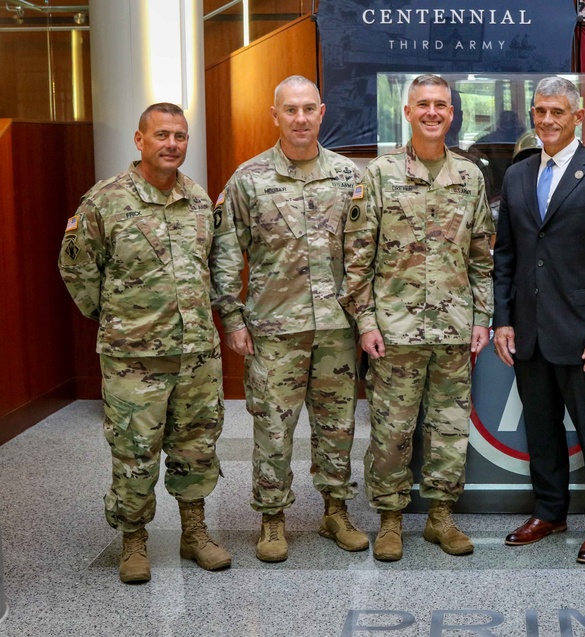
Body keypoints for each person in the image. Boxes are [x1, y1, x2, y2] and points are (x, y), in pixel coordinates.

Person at [58, 103, 232, 584]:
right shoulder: (105, 201)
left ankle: (194, 533)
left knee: (196, 446)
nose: (171, 144)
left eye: (179, 136)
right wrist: (115, 317)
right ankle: (133, 541)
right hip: (133, 358)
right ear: (140, 140)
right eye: (161, 135)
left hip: (196, 352)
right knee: (135, 451)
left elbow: (214, 265)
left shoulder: (198, 200)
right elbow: (76, 267)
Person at [211, 75, 367, 563]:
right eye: (290, 110)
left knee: (338, 426)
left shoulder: (348, 177)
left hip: (337, 330)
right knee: (274, 429)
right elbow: (224, 252)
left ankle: (335, 511)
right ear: (274, 115)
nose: (300, 118)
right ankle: (272, 518)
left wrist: (365, 318)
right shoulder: (249, 179)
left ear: (322, 112)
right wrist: (233, 319)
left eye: (308, 109)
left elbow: (364, 253)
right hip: (273, 330)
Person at [340, 74, 494, 562]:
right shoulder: (380, 175)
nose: (432, 112)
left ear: (452, 114)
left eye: (441, 105)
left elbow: (482, 257)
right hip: (395, 330)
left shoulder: (470, 177)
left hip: (453, 327)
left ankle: (440, 518)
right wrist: (365, 322)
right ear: (407, 112)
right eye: (423, 104)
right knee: (392, 430)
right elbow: (357, 259)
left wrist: (481, 317)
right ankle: (389, 520)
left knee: (449, 428)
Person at [494, 76, 585, 564]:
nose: (548, 120)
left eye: (558, 112)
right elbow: (507, 255)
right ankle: (550, 510)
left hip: (583, 333)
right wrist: (503, 319)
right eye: (540, 111)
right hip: (529, 329)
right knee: (541, 428)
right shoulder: (517, 175)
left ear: (578, 117)